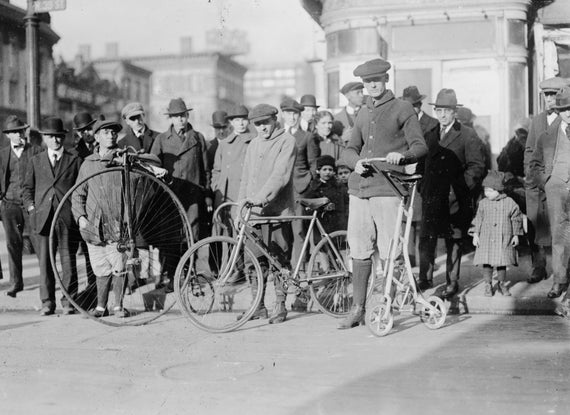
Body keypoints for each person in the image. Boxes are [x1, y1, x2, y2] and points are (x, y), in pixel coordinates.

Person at [338, 57, 427, 329]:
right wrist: (356, 162)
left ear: (386, 80)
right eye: (367, 82)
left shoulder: (403, 108)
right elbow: (350, 149)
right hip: (360, 188)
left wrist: (403, 155)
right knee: (359, 248)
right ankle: (358, 308)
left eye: (376, 80)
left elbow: (420, 146)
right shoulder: (363, 112)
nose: (372, 85)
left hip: (388, 188)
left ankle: (386, 304)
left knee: (390, 249)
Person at [417, 89, 486, 297]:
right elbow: (422, 165)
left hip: (454, 198)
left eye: (447, 110)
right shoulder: (429, 135)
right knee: (427, 238)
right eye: (439, 110)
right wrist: (423, 187)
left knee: (453, 240)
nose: (443, 115)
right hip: (431, 197)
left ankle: (451, 282)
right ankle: (425, 279)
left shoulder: (467, 134)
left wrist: (458, 190)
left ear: (455, 112)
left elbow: (477, 167)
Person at [238, 104, 296, 324]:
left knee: (279, 259)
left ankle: (280, 305)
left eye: (266, 123)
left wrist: (260, 198)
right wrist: (240, 210)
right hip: (253, 214)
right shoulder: (253, 144)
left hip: (277, 212)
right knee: (253, 260)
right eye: (258, 124)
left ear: (275, 120)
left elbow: (280, 175)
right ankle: (257, 305)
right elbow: (245, 178)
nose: (262, 128)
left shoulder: (286, 141)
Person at [22, 118, 82, 316]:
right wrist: (31, 209)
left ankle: (69, 301)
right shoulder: (35, 161)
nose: (55, 141)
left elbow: (80, 188)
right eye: (50, 137)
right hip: (43, 219)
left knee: (68, 262)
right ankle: (47, 302)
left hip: (67, 218)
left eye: (58, 137)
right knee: (45, 263)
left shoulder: (74, 160)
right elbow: (27, 189)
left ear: (63, 138)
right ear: (44, 139)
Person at [150, 98, 210, 283]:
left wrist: (207, 195)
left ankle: (191, 274)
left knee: (192, 234)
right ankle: (172, 276)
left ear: (187, 115)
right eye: (176, 116)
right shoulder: (161, 139)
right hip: (170, 196)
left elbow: (206, 169)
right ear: (171, 119)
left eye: (183, 116)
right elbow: (151, 165)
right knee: (171, 235)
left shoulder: (198, 138)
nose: (180, 120)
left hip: (193, 196)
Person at [525, 77, 570, 285]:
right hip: (540, 183)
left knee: (561, 232)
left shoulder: (565, 120)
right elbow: (530, 152)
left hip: (561, 183)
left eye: (554, 94)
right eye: (547, 95)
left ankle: (562, 276)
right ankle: (539, 267)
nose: (550, 99)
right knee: (537, 226)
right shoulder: (538, 121)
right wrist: (537, 179)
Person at [0, 116, 42, 297]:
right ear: (8, 135)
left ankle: (46, 282)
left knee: (38, 242)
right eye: (13, 132)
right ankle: (16, 283)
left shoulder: (36, 151)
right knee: (12, 244)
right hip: (10, 204)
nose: (17, 135)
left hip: (30, 205)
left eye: (19, 131)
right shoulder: (2, 154)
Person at [471, 170, 524, 297]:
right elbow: (478, 219)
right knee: (487, 261)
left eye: (490, 190)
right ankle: (488, 284)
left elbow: (516, 218)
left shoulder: (509, 202)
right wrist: (475, 234)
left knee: (502, 262)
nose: (486, 193)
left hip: (504, 237)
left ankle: (501, 283)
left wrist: (516, 234)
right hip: (487, 238)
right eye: (485, 190)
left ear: (498, 189)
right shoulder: (483, 203)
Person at [211, 104, 255, 224]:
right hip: (226, 194)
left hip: (245, 193)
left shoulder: (255, 141)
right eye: (237, 120)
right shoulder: (224, 144)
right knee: (226, 229)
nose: (241, 123)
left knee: (242, 229)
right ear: (231, 122)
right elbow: (216, 170)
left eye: (244, 120)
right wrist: (217, 187)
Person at [305, 155, 347, 235]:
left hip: (336, 221)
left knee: (336, 242)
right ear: (318, 171)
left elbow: (343, 204)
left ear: (334, 172)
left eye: (330, 170)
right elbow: (309, 204)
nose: (327, 172)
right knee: (321, 243)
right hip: (320, 221)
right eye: (324, 169)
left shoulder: (338, 187)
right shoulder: (314, 187)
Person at [335, 82, 365, 146]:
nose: (362, 95)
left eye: (362, 92)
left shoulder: (368, 113)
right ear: (347, 96)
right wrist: (342, 139)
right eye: (358, 93)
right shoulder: (337, 118)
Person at [206, 110, 230, 175]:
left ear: (228, 127)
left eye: (224, 127)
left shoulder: (234, 144)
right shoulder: (208, 147)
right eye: (218, 128)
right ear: (213, 128)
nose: (221, 131)